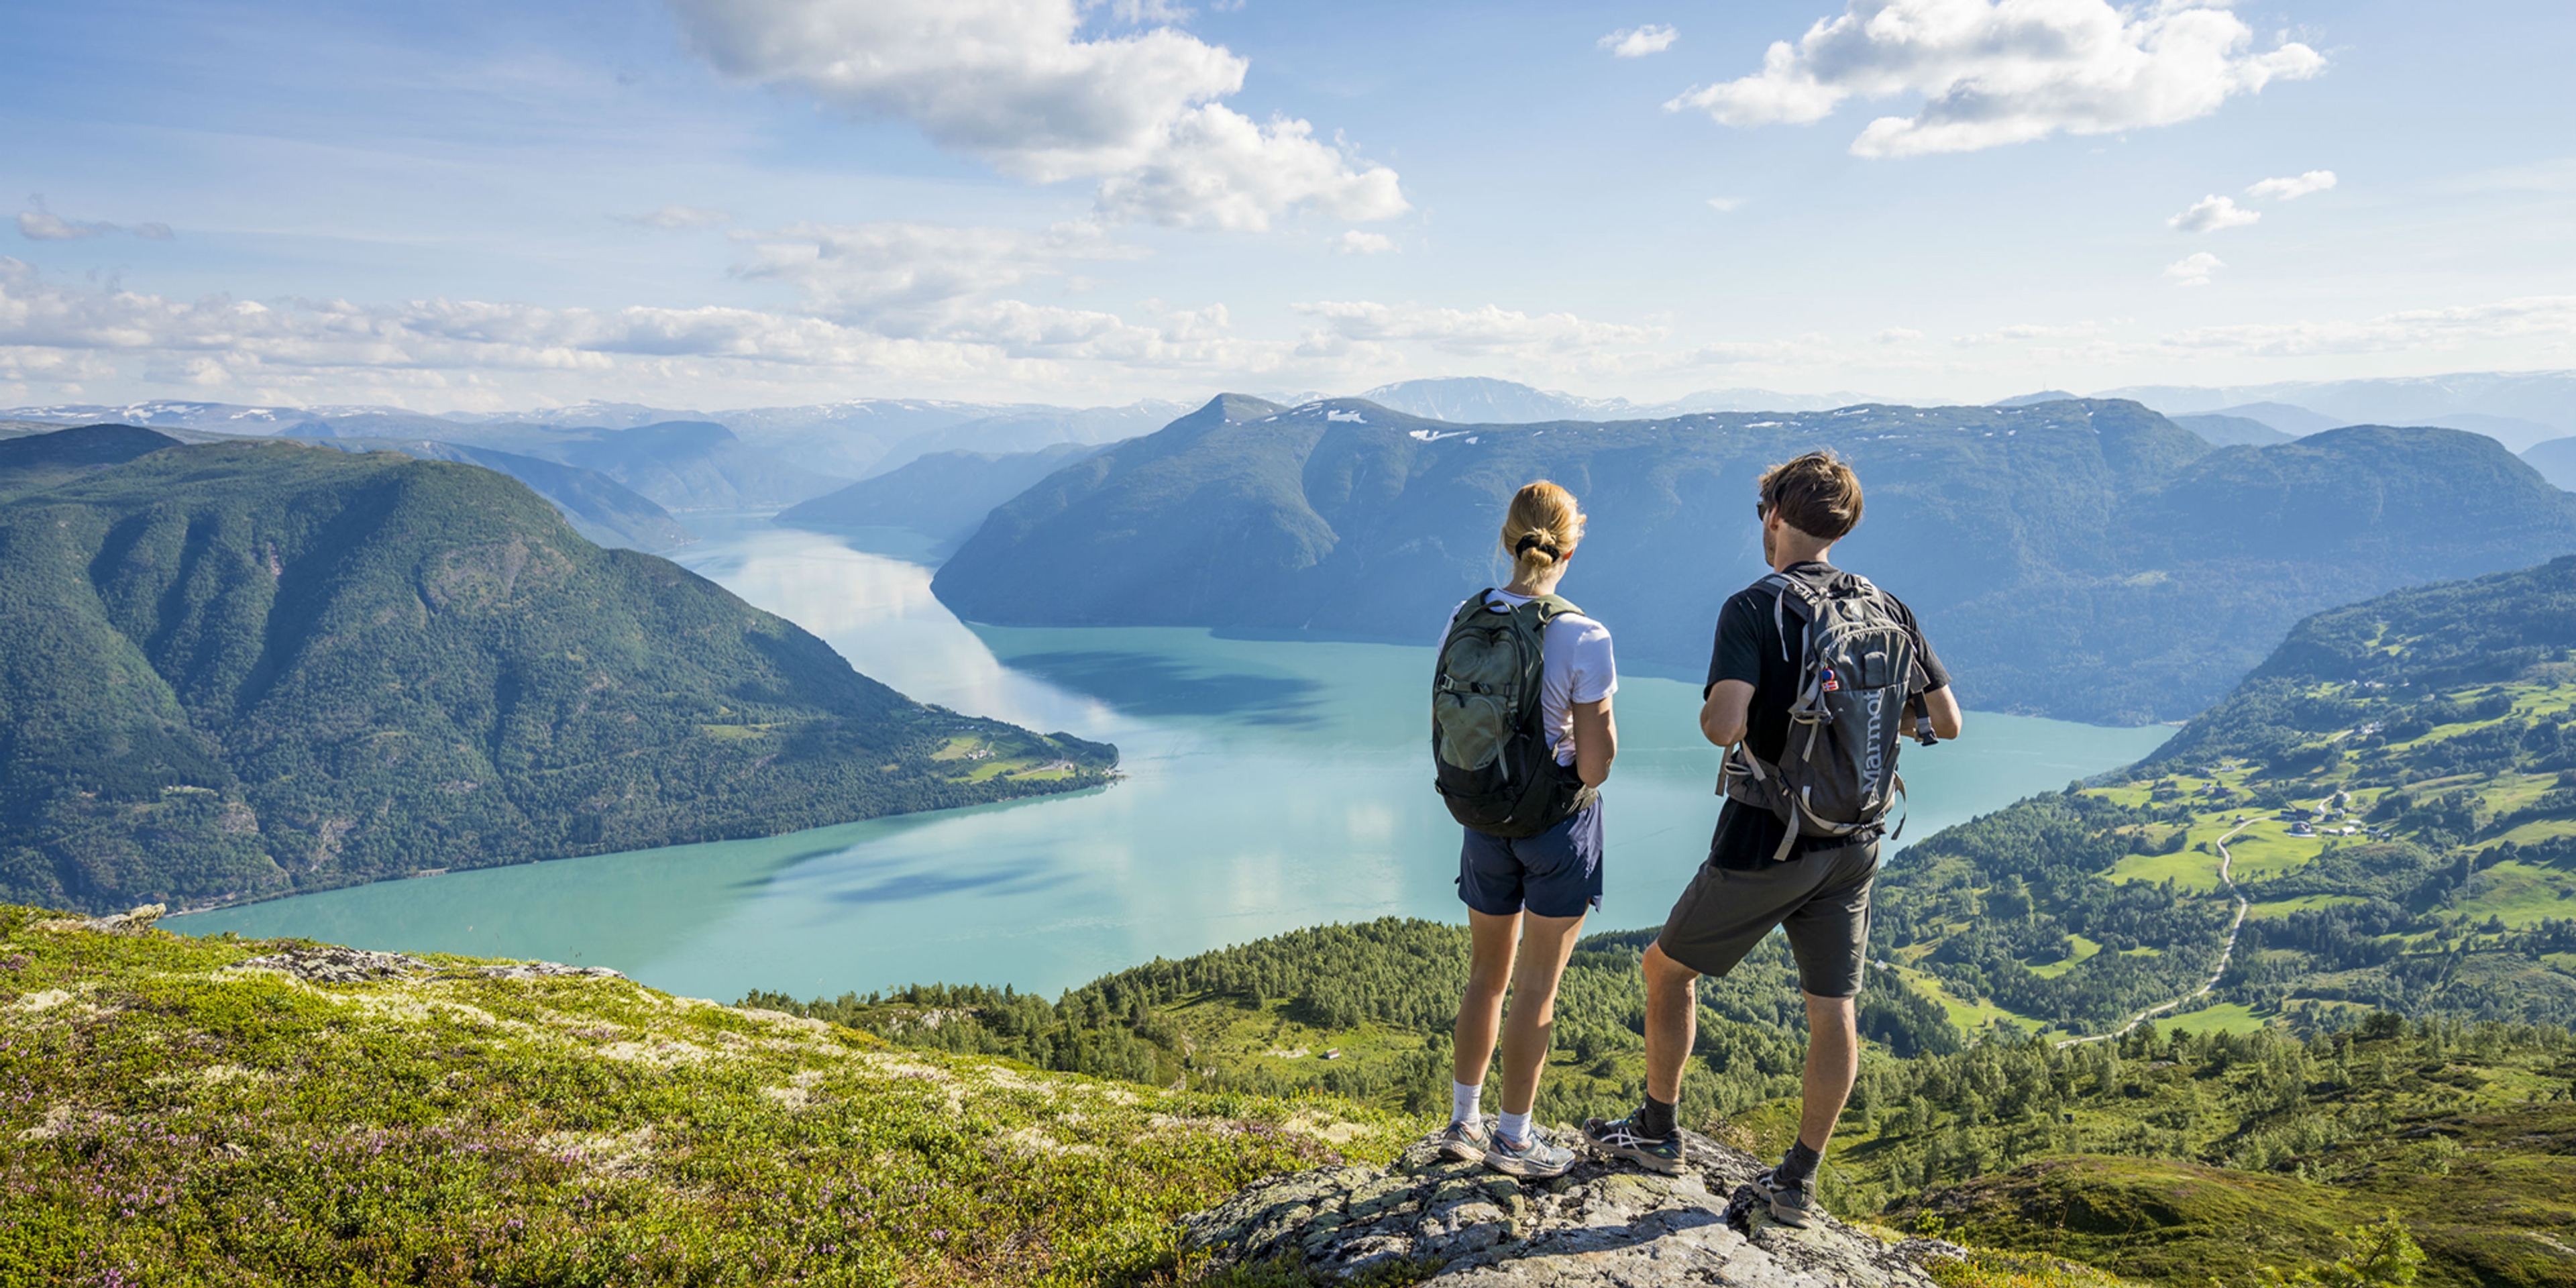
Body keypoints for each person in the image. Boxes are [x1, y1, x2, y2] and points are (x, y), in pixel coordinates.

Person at [1582, 450, 1962, 1224]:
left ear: (1775, 518)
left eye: (1764, 514)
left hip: (1768, 838)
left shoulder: (1756, 607)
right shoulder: (1887, 605)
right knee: (1834, 1009)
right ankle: (1798, 1181)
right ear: (1843, 524)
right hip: (1856, 839)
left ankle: (1658, 1133)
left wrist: (1734, 712)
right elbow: (1946, 723)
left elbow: (1723, 723)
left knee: (1667, 969)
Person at [1434, 480, 1617, 1180]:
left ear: (1508, 540)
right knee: (1537, 984)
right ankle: (1514, 1139)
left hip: (1480, 818)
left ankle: (1463, 1121)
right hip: (1553, 831)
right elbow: (1594, 767)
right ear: (1571, 545)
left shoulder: (1466, 613)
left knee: (1485, 975)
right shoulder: (1582, 633)